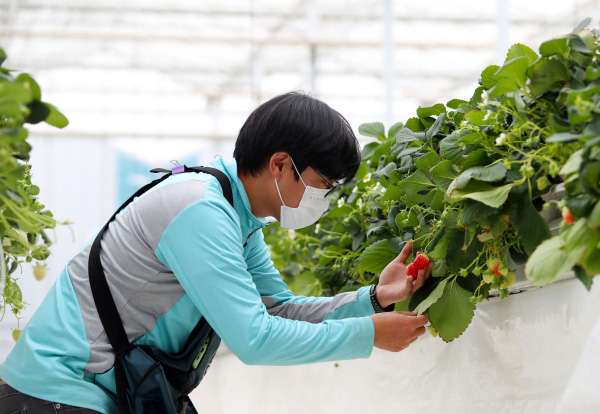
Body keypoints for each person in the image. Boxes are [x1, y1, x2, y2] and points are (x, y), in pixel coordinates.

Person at [0, 91, 431, 413]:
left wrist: (371, 300)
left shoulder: (238, 218)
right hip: (55, 390)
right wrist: (369, 334)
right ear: (280, 164)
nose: (327, 199)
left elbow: (277, 311)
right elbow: (254, 339)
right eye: (324, 185)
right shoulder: (199, 210)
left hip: (95, 390)